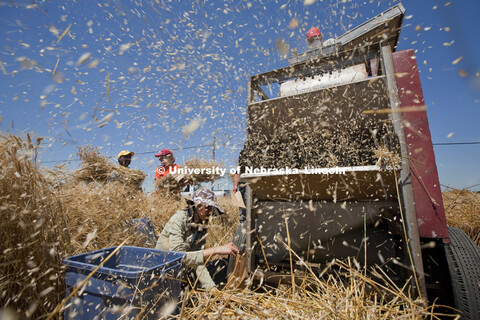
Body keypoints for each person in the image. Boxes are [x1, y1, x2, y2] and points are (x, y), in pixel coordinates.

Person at [156, 189, 239, 290]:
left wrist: (212, 289)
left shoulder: (202, 224)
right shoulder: (179, 220)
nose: (210, 212)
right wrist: (216, 250)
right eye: (207, 207)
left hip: (184, 271)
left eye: (211, 208)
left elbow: (197, 261)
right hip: (165, 274)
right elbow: (177, 257)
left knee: (223, 264)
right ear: (197, 205)